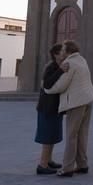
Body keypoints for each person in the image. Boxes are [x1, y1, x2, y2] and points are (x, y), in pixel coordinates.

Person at [45, 40, 93, 177]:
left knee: (72, 135)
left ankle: (67, 168)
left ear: (68, 51)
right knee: (82, 134)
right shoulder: (82, 60)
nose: (61, 53)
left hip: (76, 102)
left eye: (63, 50)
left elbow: (61, 85)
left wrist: (46, 89)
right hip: (88, 100)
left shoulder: (70, 63)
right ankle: (82, 164)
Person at [34, 43, 67, 174]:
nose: (65, 54)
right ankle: (42, 165)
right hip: (47, 107)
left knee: (52, 135)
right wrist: (61, 71)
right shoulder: (51, 66)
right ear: (56, 54)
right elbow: (47, 84)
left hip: (54, 107)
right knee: (48, 136)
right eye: (62, 51)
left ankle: (49, 160)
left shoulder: (57, 66)